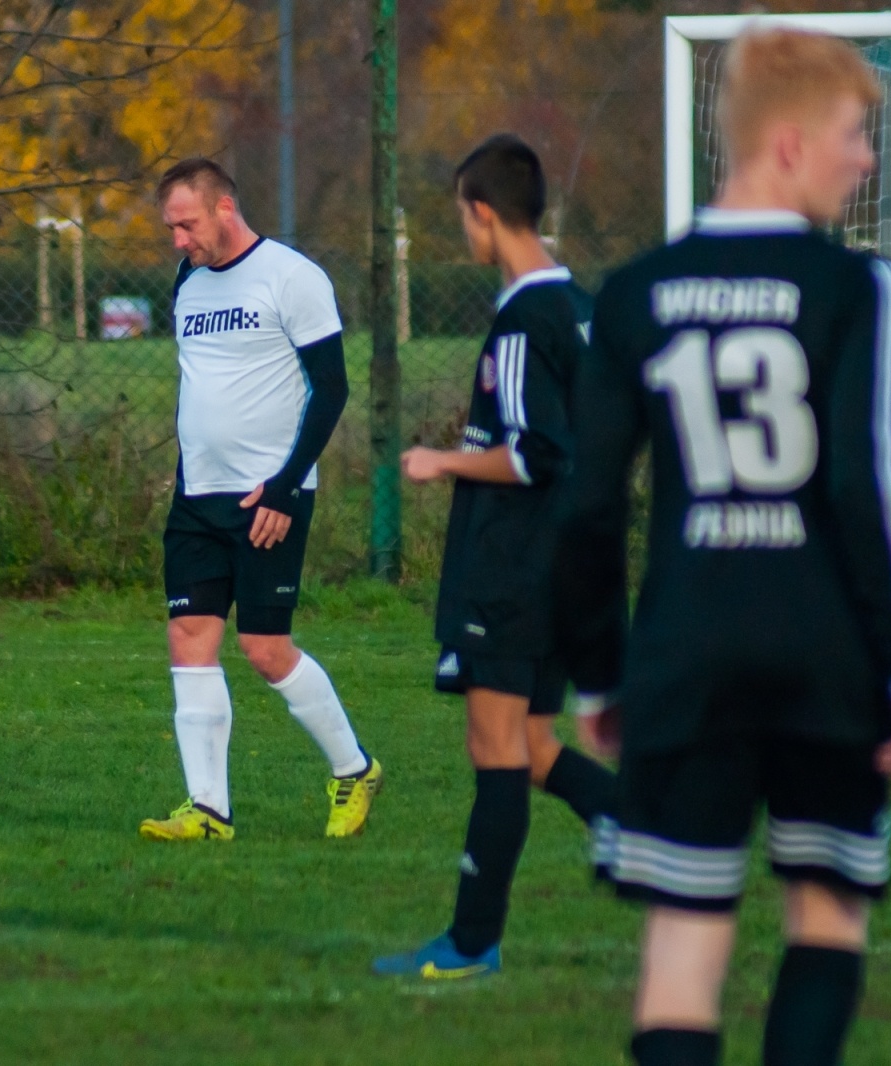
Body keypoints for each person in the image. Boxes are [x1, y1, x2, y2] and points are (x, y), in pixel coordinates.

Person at [554, 29, 891, 1066]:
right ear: (785, 143)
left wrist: (601, 674)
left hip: (684, 653)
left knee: (682, 948)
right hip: (824, 656)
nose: (864, 160)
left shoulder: (634, 292)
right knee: (825, 917)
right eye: (851, 135)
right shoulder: (855, 287)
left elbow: (588, 506)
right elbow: (872, 488)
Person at [371, 135, 617, 980]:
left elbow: (533, 452)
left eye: (461, 218)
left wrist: (440, 461)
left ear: (482, 213)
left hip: (512, 566)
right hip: (567, 563)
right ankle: (635, 819)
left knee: (496, 750)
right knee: (534, 745)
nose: (464, 234)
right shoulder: (581, 307)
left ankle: (471, 943)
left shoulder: (521, 320)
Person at [139, 158, 383, 843]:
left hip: (269, 495)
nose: (178, 240)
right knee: (189, 636)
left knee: (265, 647)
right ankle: (209, 810)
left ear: (224, 209)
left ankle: (353, 769)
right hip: (197, 494)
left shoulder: (292, 277)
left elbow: (331, 389)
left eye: (185, 224)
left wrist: (284, 485)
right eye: (171, 228)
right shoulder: (187, 282)